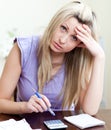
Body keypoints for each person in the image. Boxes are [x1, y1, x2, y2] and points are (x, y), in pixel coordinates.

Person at [0, 0, 105, 116]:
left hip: (64, 125)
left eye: (74, 38)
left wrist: (100, 57)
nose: (63, 40)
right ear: (55, 22)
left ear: (80, 43)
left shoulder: (79, 61)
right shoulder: (23, 49)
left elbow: (90, 110)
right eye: (63, 28)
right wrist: (24, 106)